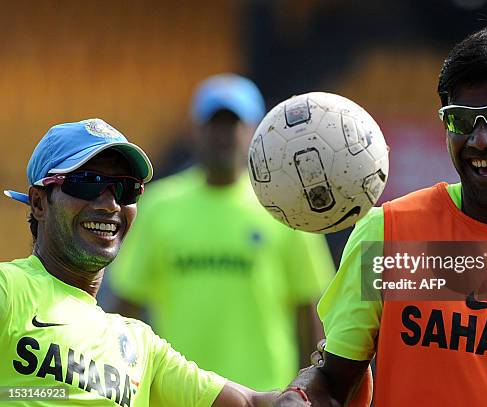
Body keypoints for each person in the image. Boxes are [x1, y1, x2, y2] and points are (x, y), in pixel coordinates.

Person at [274, 11, 487, 406]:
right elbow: (334, 381)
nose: (480, 140)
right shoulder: (388, 234)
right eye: (461, 121)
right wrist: (298, 396)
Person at [0, 118, 283, 406]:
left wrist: (307, 388)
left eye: (126, 189)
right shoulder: (9, 289)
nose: (110, 204)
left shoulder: (140, 344)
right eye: (87, 183)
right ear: (38, 203)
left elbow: (250, 403)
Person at [109, 74, 335, 391]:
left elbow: (309, 310)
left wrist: (308, 391)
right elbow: (127, 307)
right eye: (215, 124)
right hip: (177, 393)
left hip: (264, 393)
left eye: (234, 124)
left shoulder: (285, 207)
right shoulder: (160, 206)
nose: (224, 135)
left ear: (255, 132)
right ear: (196, 131)